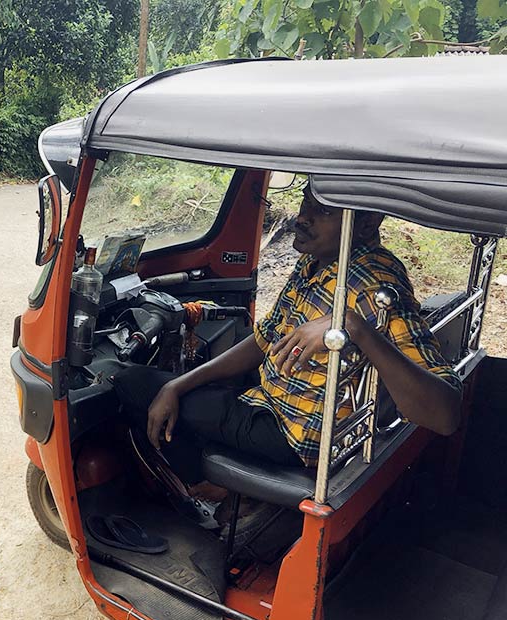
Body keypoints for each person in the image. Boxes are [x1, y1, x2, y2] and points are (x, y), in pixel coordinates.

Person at [114, 186, 462, 506]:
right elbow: (265, 340)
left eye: (323, 211)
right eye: (305, 203)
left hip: (293, 435)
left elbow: (444, 415)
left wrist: (353, 326)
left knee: (132, 383)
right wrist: (179, 383)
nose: (302, 218)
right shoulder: (315, 263)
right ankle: (227, 483)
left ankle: (205, 489)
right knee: (181, 381)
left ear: (367, 223)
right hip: (268, 398)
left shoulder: (374, 285)